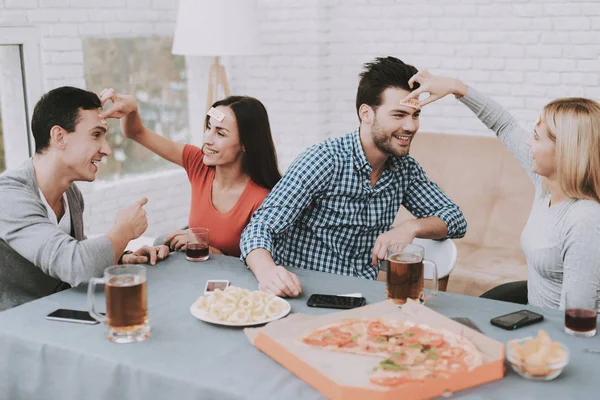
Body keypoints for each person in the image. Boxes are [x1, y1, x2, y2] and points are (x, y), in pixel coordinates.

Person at [240, 57, 467, 297]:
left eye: (415, 115)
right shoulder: (324, 159)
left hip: (361, 298)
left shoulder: (405, 169)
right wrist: (268, 273)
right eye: (399, 115)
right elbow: (260, 227)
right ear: (366, 113)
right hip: (304, 294)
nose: (411, 126)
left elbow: (455, 219)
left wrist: (410, 228)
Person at [402, 70, 600, 311]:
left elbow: (576, 321)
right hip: (535, 308)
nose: (528, 143)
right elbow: (503, 124)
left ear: (564, 152)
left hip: (560, 332)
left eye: (536, 138)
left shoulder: (585, 220)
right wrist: (456, 87)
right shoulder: (548, 184)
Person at [0, 86, 169, 311]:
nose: (106, 150)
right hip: (16, 329)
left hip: (59, 313)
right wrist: (124, 231)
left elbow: (69, 250)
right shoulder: (9, 196)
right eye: (96, 135)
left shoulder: (71, 194)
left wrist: (120, 257)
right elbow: (76, 265)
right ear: (59, 136)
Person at [98, 90, 281, 257]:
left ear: (245, 144)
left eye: (220, 133)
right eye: (209, 127)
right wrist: (132, 108)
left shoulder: (262, 199)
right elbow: (135, 132)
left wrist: (205, 247)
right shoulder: (198, 163)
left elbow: (259, 262)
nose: (207, 139)